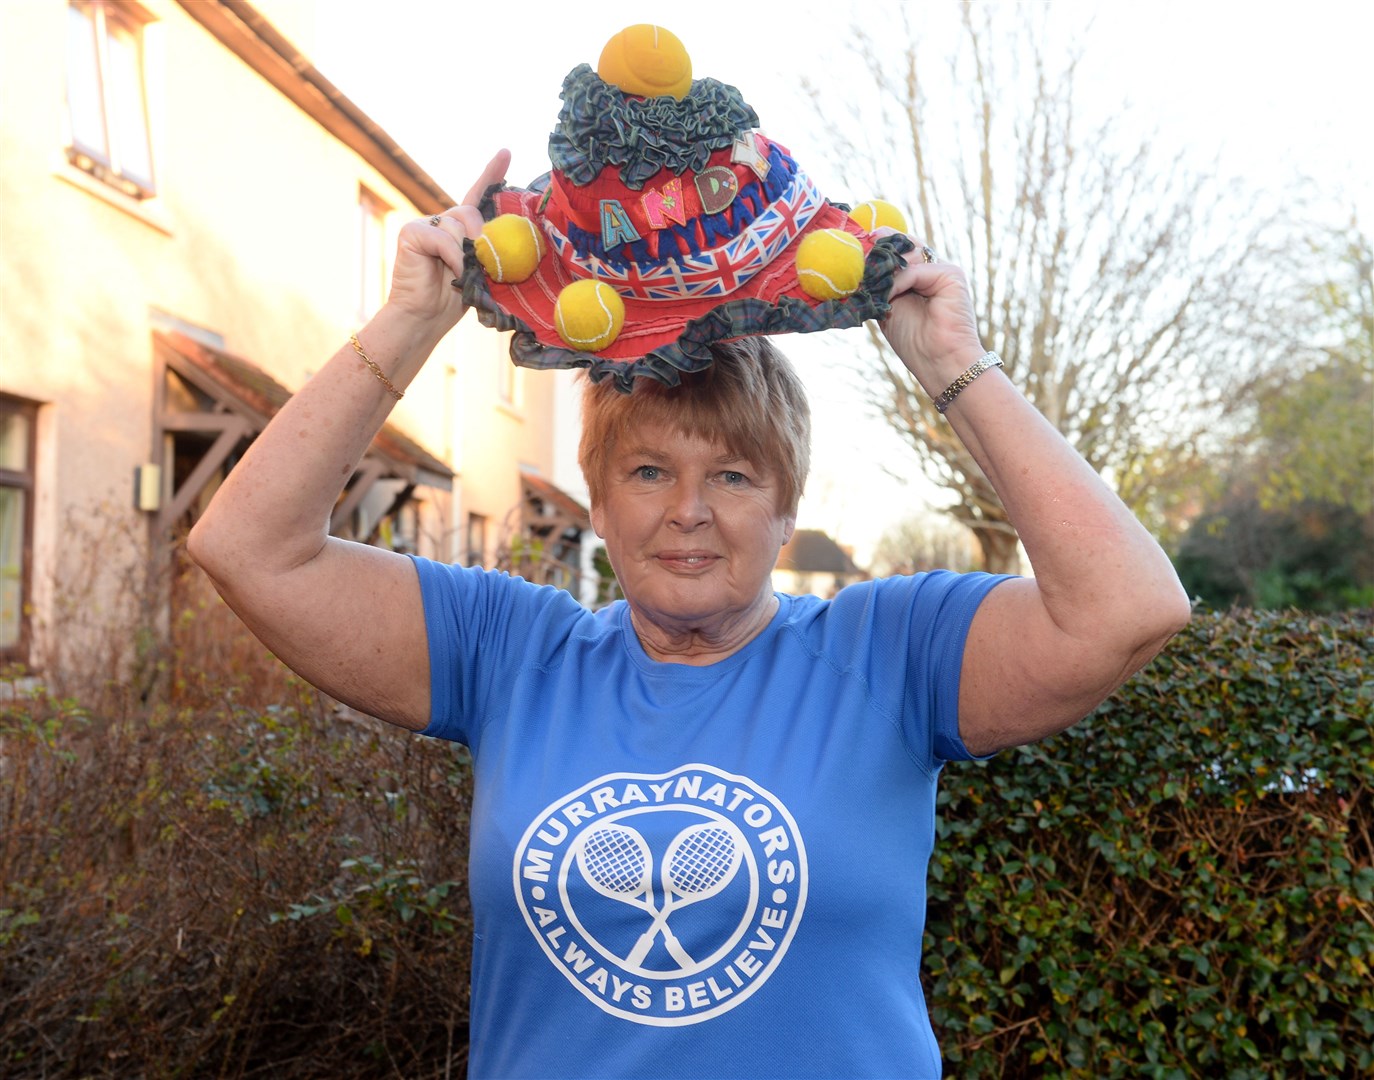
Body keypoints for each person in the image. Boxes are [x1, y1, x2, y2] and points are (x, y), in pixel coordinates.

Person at [189, 28, 1191, 1080]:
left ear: (786, 504)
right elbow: (250, 548)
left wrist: (954, 364)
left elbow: (1126, 606)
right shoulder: (513, 655)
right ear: (600, 498)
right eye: (649, 473)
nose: (689, 513)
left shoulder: (888, 652)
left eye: (734, 476)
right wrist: (407, 323)